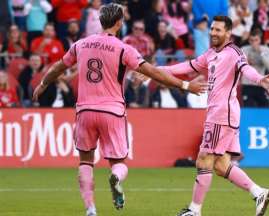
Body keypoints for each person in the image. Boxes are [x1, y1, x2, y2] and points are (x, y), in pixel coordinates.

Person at [32, 3, 206, 216]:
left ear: (101, 21)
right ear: (119, 22)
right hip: (112, 111)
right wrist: (186, 85)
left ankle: (91, 209)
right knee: (119, 162)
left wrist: (43, 84)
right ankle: (115, 177)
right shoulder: (123, 48)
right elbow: (153, 73)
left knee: (85, 161)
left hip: (85, 110)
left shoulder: (81, 44)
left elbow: (59, 66)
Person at [159, 16, 269, 216]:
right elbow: (189, 66)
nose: (213, 33)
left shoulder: (234, 52)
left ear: (228, 33)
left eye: (218, 30)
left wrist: (259, 80)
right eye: (212, 29)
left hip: (222, 113)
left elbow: (245, 68)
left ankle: (194, 211)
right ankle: (259, 193)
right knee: (221, 165)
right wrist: (158, 70)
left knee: (204, 159)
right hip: (220, 112)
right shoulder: (211, 53)